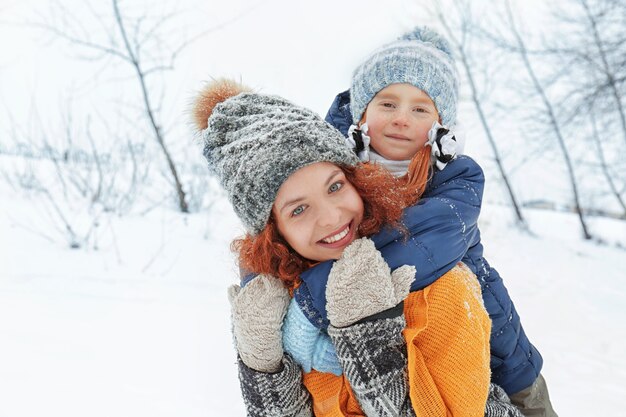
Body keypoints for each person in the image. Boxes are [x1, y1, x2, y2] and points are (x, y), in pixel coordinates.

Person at [192, 78, 522, 416]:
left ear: (358, 181)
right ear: (273, 232)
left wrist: (367, 339)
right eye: (299, 209)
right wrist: (263, 368)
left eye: (335, 186)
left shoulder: (438, 289)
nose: (331, 217)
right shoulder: (281, 308)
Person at [282, 26, 558, 417]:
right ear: (362, 113)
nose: (402, 119)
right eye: (388, 104)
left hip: (496, 352)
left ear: (439, 123)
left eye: (420, 108)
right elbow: (279, 223)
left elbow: (419, 246)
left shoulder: (457, 178)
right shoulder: (335, 176)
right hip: (388, 346)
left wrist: (312, 300)